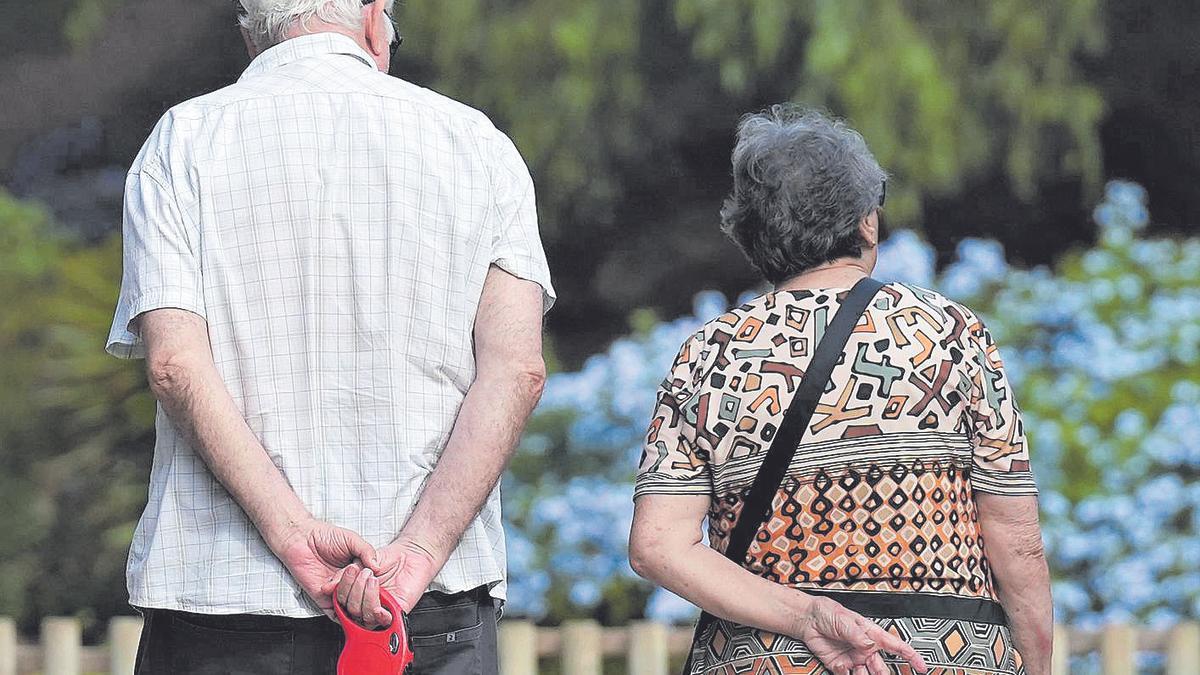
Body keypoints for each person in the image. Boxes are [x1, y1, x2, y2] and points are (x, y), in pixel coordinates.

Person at [104, 1, 554, 673]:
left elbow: (174, 364)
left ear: (251, 37)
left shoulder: (182, 140)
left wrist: (294, 535)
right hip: (428, 610)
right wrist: (419, 553)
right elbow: (517, 371)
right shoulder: (479, 144)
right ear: (374, 21)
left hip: (223, 600)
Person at [628, 106, 1052, 675]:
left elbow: (658, 546)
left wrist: (806, 615)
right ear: (867, 223)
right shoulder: (950, 335)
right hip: (944, 657)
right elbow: (1015, 539)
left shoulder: (710, 354)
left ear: (752, 237)